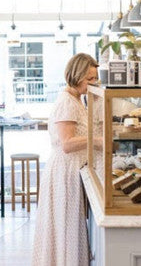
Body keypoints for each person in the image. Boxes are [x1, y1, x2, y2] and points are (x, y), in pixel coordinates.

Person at [32, 53, 99, 266]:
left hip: (72, 170)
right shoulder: (67, 102)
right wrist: (98, 140)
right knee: (66, 226)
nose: (93, 83)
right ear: (76, 76)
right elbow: (67, 143)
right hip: (65, 171)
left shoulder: (77, 99)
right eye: (90, 79)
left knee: (69, 226)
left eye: (95, 78)